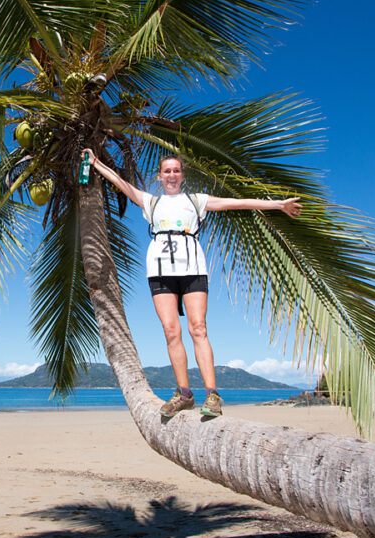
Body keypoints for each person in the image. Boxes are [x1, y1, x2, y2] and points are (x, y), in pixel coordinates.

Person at [82, 149, 302, 418]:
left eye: (176, 170)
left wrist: (278, 205)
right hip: (160, 270)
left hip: (193, 268)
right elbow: (120, 182)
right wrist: (95, 163)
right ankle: (184, 393)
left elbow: (238, 202)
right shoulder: (151, 202)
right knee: (171, 331)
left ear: (182, 175)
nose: (172, 175)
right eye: (167, 171)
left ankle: (212, 395)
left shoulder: (196, 200)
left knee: (198, 329)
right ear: (160, 176)